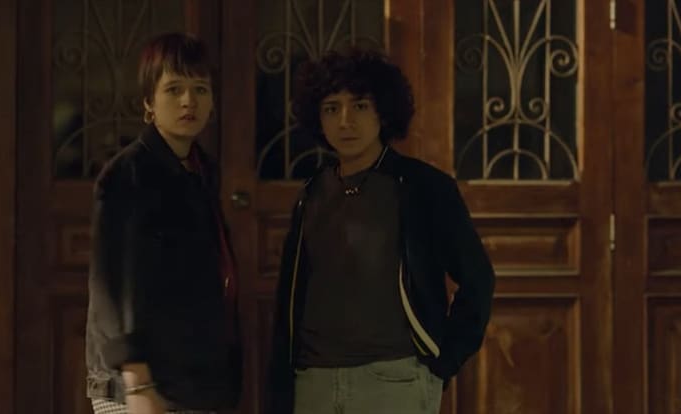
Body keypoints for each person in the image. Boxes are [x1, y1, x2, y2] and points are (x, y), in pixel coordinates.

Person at [265, 48, 495, 414]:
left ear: (383, 112)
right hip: (314, 381)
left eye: (359, 106)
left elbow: (477, 278)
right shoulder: (311, 194)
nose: (345, 121)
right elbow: (291, 300)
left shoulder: (423, 187)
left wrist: (444, 359)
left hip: (394, 379)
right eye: (331, 109)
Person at [85, 32, 241, 414]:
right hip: (140, 384)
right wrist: (138, 380)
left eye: (200, 89)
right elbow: (113, 286)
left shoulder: (201, 170)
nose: (189, 101)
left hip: (193, 380)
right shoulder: (129, 173)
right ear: (148, 103)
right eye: (174, 89)